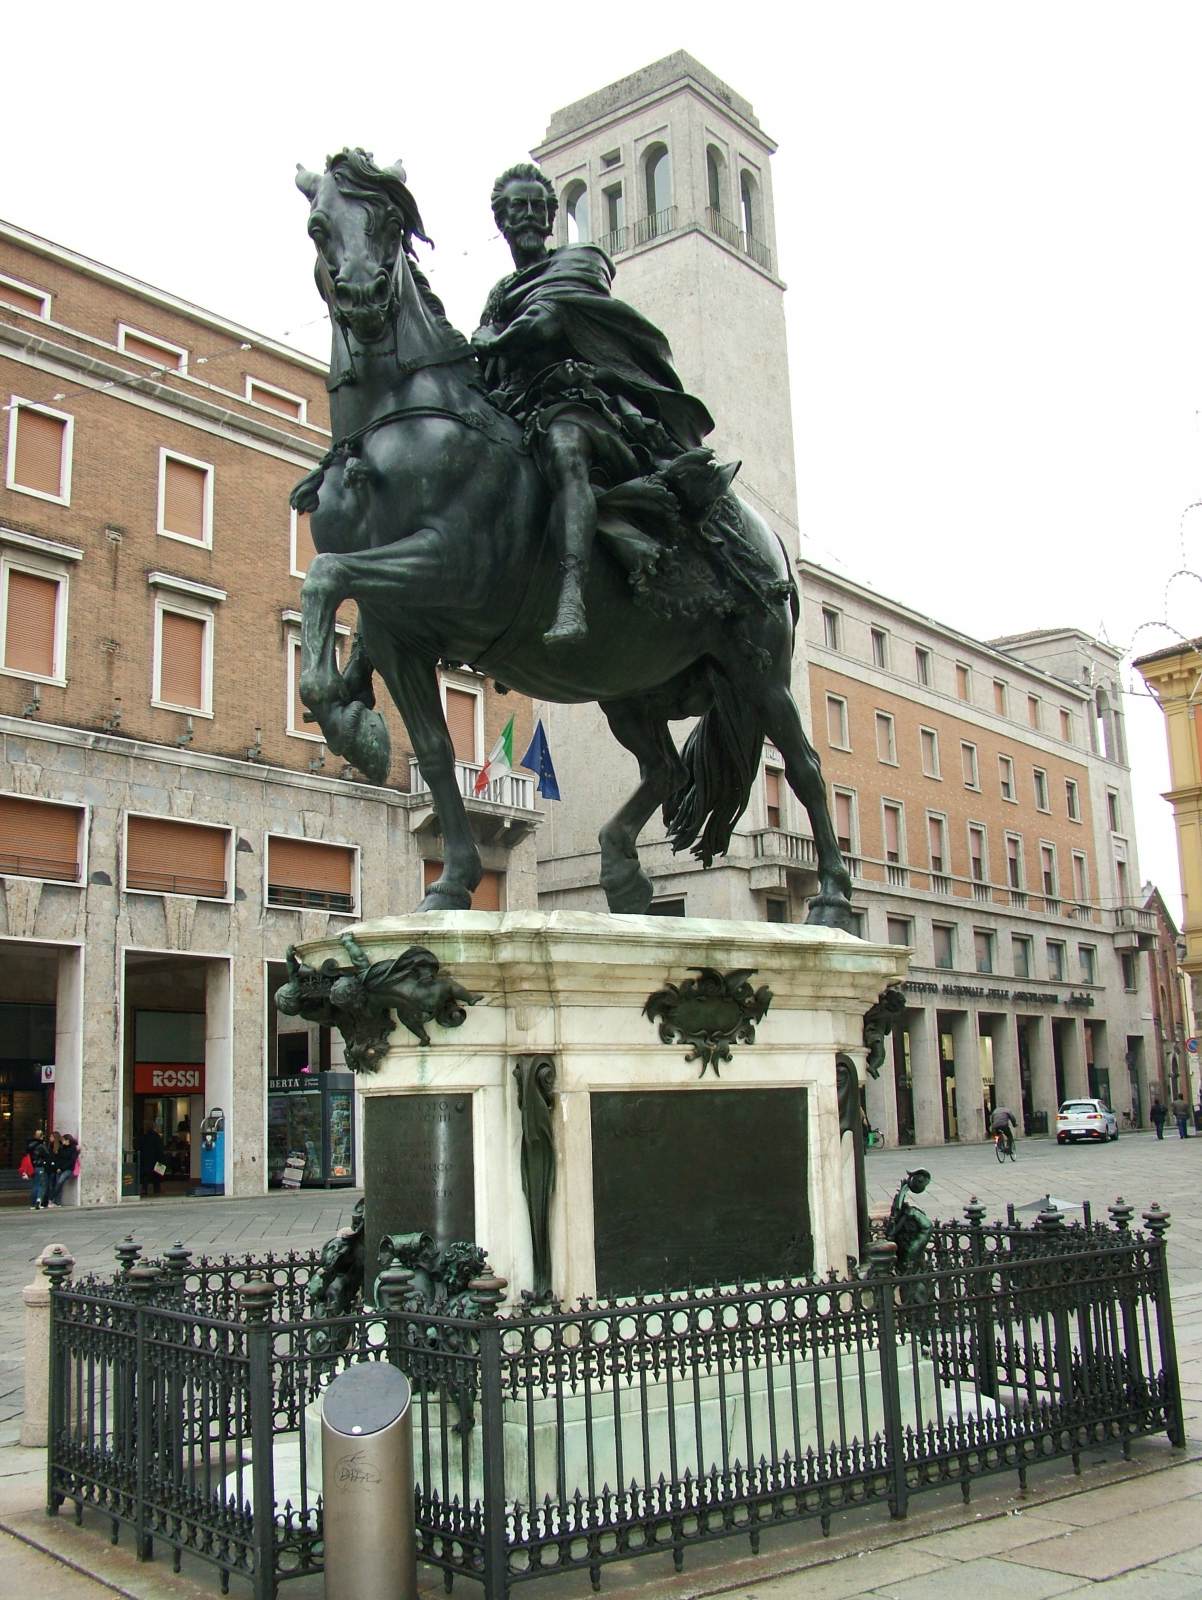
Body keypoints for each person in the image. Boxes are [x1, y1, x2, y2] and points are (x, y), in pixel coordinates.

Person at [472, 163, 714, 646]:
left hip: (578, 402)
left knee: (565, 447)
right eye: (515, 208)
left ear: (549, 220)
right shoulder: (498, 294)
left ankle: (570, 595)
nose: (526, 217)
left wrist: (490, 339)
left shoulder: (581, 260)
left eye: (536, 208)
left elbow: (545, 323)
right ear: (500, 220)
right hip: (513, 409)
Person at [137, 1122, 167, 1197]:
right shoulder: (157, 1137)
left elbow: (139, 1147)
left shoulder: (144, 1137)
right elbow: (160, 1149)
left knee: (146, 1175)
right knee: (157, 1174)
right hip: (156, 1158)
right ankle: (157, 1189)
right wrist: (162, 1158)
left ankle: (144, 1189)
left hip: (146, 1158)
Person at [25, 1129, 51, 1209]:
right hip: (39, 1166)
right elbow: (47, 1155)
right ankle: (38, 1201)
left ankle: (32, 1204)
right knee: (40, 1185)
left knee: (35, 1184)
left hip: (32, 1167)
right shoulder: (41, 1146)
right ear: (41, 1137)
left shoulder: (29, 1145)